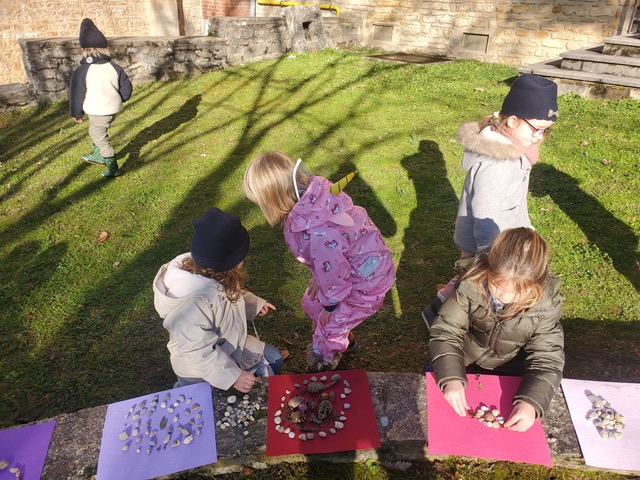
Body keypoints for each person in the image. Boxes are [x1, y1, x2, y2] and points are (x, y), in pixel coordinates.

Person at [422, 74, 558, 328]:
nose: (540, 136)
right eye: (536, 128)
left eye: (546, 130)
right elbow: (485, 210)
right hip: (491, 244)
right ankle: (443, 319)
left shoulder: (512, 149)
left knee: (469, 279)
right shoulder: (498, 163)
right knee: (476, 285)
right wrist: (491, 255)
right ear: (513, 120)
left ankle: (440, 311)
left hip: (500, 239)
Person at [243, 151, 395, 372]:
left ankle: (323, 363)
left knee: (329, 328)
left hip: (366, 283)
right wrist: (319, 277)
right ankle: (345, 338)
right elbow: (332, 259)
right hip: (352, 269)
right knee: (311, 303)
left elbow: (334, 270)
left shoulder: (319, 233)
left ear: (274, 198)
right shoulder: (313, 201)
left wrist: (330, 305)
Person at [428, 227, 564, 432]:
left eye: (517, 293)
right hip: (465, 358)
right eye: (497, 287)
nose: (505, 297)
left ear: (536, 285)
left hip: (511, 368)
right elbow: (446, 331)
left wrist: (531, 402)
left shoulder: (545, 307)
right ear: (487, 270)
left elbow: (547, 358)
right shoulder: (470, 285)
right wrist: (451, 377)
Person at [153, 208, 283, 393]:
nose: (243, 261)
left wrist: (254, 304)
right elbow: (198, 352)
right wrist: (233, 376)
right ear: (229, 261)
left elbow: (231, 295)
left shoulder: (211, 271)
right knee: (218, 401)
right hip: (200, 371)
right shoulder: (192, 306)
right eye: (240, 257)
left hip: (230, 346)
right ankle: (198, 394)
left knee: (275, 359)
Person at [69, 18, 132, 177]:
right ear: (104, 48)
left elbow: (77, 94)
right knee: (95, 131)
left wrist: (77, 113)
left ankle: (112, 167)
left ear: (83, 49)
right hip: (112, 109)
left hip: (98, 110)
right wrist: (119, 99)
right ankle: (97, 155)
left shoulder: (82, 71)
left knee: (99, 137)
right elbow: (127, 88)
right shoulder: (114, 67)